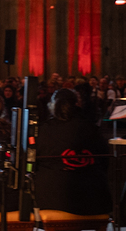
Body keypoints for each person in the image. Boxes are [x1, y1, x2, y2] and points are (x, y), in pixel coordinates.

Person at [34, 88, 111, 216]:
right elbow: (104, 161)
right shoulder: (91, 129)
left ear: (52, 106)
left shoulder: (43, 130)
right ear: (77, 104)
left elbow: (34, 162)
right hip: (93, 198)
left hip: (51, 199)